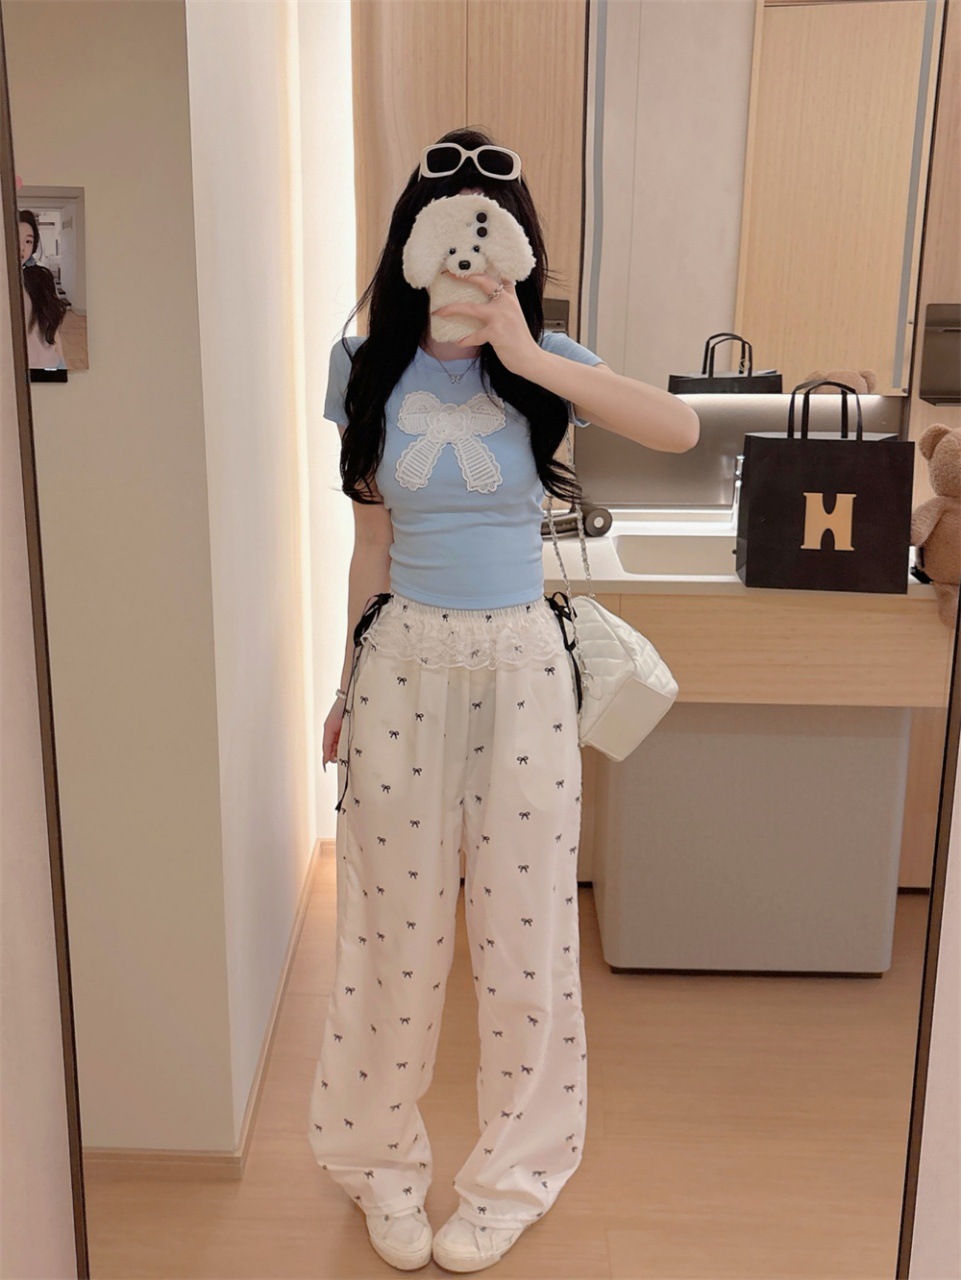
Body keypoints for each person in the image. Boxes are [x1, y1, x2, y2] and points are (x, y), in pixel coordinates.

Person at [307, 126, 698, 1274]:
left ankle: (512, 1175)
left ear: (516, 244)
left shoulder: (545, 359)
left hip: (522, 664)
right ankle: (378, 1163)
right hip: (402, 663)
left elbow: (676, 429)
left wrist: (524, 348)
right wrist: (342, 686)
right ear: (411, 240)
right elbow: (370, 544)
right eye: (448, 229)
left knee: (524, 939)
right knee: (391, 933)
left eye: (490, 229)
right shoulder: (363, 363)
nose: (466, 255)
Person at [19, 211, 68, 371]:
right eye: (15, 238)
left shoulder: (42, 278)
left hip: (51, 365)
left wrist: (62, 365)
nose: (22, 248)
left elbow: (52, 330)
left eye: (28, 241)